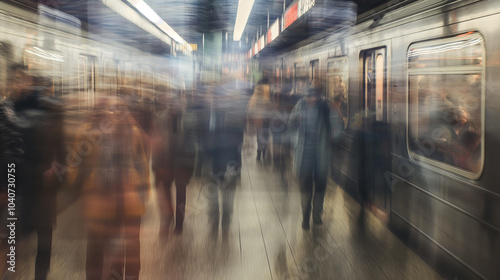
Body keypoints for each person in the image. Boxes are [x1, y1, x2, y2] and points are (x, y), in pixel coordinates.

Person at [71, 96, 149, 280]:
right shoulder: (88, 133)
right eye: (110, 111)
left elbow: (141, 163)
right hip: (106, 202)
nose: (113, 115)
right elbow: (75, 166)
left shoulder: (132, 132)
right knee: (103, 251)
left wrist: (142, 192)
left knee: (122, 251)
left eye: (117, 111)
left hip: (123, 202)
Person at [6, 64, 65, 280]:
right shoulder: (6, 110)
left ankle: (41, 274)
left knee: (43, 234)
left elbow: (61, 149)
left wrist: (56, 173)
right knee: (13, 233)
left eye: (24, 80)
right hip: (16, 182)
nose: (20, 84)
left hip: (42, 183)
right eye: (16, 80)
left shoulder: (48, 109)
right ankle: (12, 271)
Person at [288, 82, 336, 229]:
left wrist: (333, 136)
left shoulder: (325, 109)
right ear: (305, 98)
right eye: (309, 97)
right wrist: (296, 141)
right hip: (304, 156)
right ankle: (305, 217)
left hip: (321, 155)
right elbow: (291, 126)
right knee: (305, 188)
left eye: (315, 96)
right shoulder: (299, 107)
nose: (312, 99)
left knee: (320, 187)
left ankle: (317, 216)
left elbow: (337, 126)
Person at [152, 92, 197, 235]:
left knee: (181, 194)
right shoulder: (161, 119)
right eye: (171, 103)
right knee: (165, 192)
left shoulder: (190, 119)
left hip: (183, 163)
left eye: (177, 103)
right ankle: (167, 218)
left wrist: (193, 164)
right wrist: (155, 164)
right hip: (165, 162)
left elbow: (195, 143)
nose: (174, 106)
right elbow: (157, 142)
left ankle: (179, 223)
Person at [247, 77, 272, 161]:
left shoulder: (253, 98)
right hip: (265, 121)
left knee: (259, 136)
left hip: (258, 121)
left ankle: (259, 152)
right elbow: (270, 110)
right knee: (265, 135)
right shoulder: (267, 97)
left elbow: (250, 110)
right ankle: (263, 151)